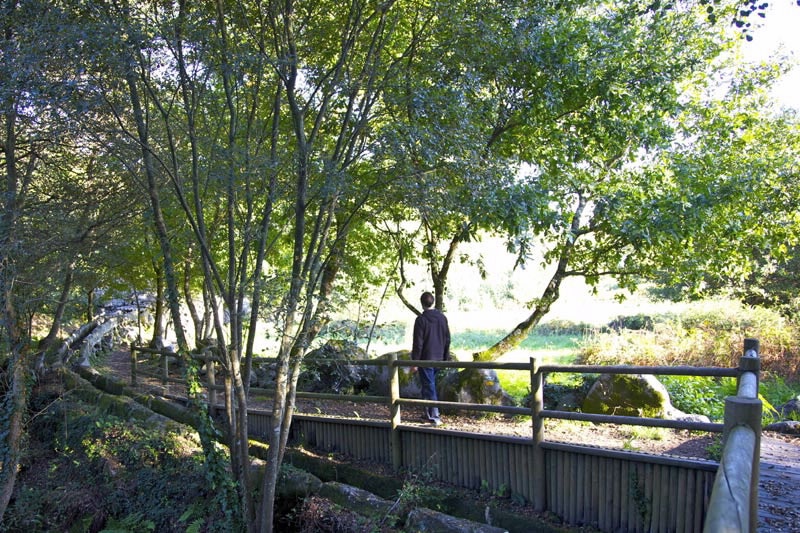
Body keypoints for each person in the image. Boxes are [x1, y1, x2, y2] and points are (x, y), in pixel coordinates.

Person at [411, 291, 450, 426]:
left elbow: (418, 343)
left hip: (425, 359)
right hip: (439, 357)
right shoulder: (442, 318)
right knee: (428, 385)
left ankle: (434, 416)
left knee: (429, 386)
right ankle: (427, 413)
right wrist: (445, 357)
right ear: (432, 302)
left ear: (422, 304)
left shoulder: (421, 320)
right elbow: (447, 338)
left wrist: (414, 362)